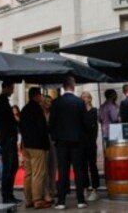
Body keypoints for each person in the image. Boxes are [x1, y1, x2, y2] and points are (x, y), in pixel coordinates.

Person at [49, 76, 88, 210]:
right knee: (78, 170)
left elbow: (51, 123)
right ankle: (81, 200)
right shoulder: (79, 102)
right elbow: (86, 123)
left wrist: (55, 138)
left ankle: (61, 201)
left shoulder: (56, 102)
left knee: (63, 171)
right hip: (77, 141)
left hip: (61, 142)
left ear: (63, 86)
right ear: (73, 85)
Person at [20, 87, 52, 209]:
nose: (41, 97)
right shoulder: (37, 109)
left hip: (26, 144)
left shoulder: (24, 109)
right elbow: (42, 127)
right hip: (37, 145)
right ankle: (37, 200)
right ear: (36, 96)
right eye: (40, 95)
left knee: (28, 173)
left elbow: (21, 127)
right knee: (38, 173)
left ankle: (28, 199)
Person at [0, 81, 20, 204]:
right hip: (7, 140)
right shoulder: (1, 102)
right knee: (8, 168)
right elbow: (4, 122)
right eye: (12, 88)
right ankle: (6, 195)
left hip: (8, 139)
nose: (13, 91)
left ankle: (9, 194)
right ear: (6, 87)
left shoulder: (3, 102)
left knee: (12, 167)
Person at [80, 91, 100, 202]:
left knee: (92, 165)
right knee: (83, 166)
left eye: (86, 97)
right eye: (82, 97)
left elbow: (89, 124)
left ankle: (95, 189)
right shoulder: (79, 111)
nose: (84, 99)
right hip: (81, 142)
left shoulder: (94, 110)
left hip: (91, 142)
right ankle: (85, 187)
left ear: (90, 99)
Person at [42, 95, 57, 203]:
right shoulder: (39, 113)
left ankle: (53, 189)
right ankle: (45, 190)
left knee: (53, 166)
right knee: (45, 167)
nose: (48, 103)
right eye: (46, 101)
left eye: (50, 101)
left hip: (52, 140)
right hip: (43, 141)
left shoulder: (53, 113)